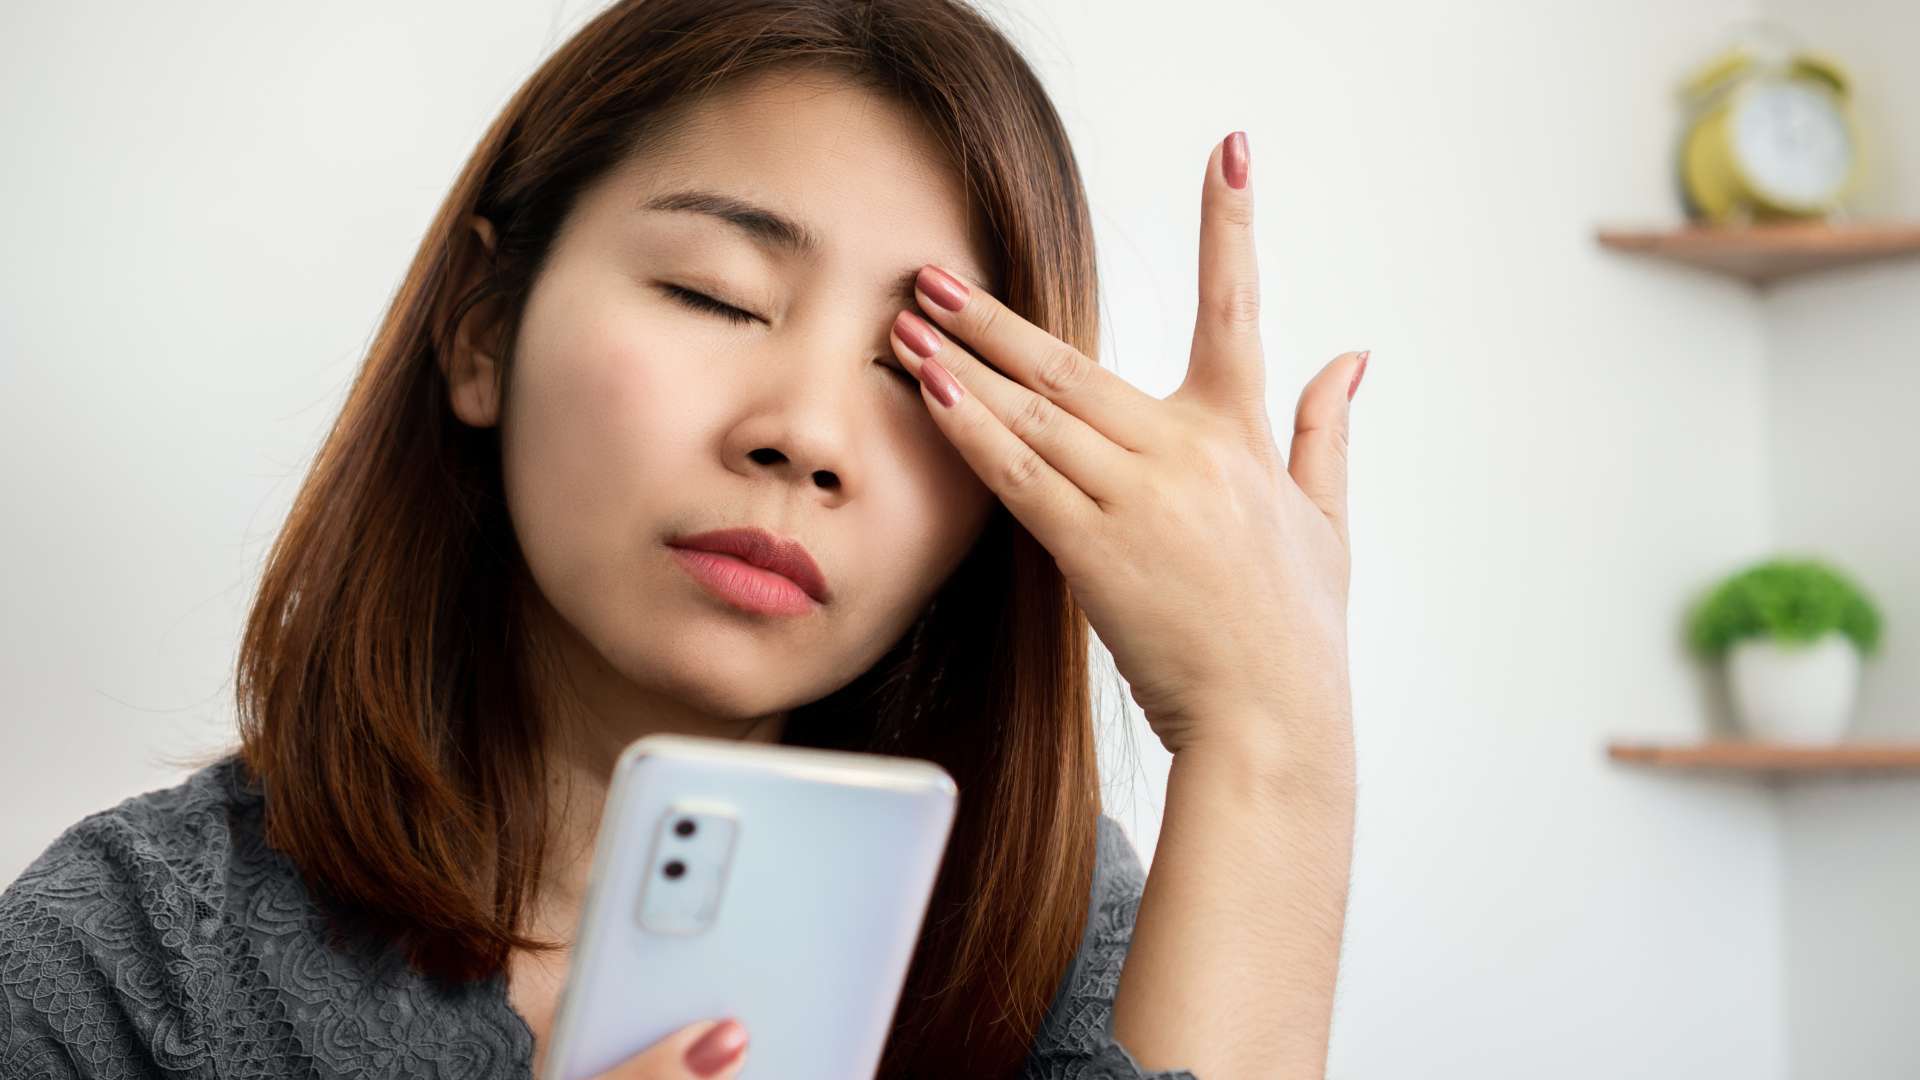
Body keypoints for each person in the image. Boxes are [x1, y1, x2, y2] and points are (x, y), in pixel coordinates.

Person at [0, 0, 1362, 1077]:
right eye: (717, 296)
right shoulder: (124, 968)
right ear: (482, 328)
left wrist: (1272, 736)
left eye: (916, 368)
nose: (806, 434)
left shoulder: (1051, 947)